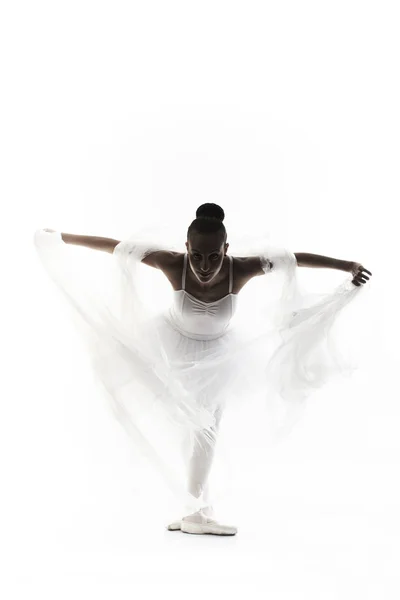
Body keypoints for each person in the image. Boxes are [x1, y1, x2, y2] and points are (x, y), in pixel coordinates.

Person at [34, 203, 371, 535]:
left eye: (214, 256)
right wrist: (61, 237)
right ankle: (195, 508)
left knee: (205, 429)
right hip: (170, 348)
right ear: (186, 248)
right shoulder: (171, 263)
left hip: (219, 356)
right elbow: (117, 247)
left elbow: (293, 260)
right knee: (194, 428)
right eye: (196, 256)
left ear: (226, 249)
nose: (205, 266)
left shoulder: (241, 269)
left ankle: (195, 505)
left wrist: (348, 265)